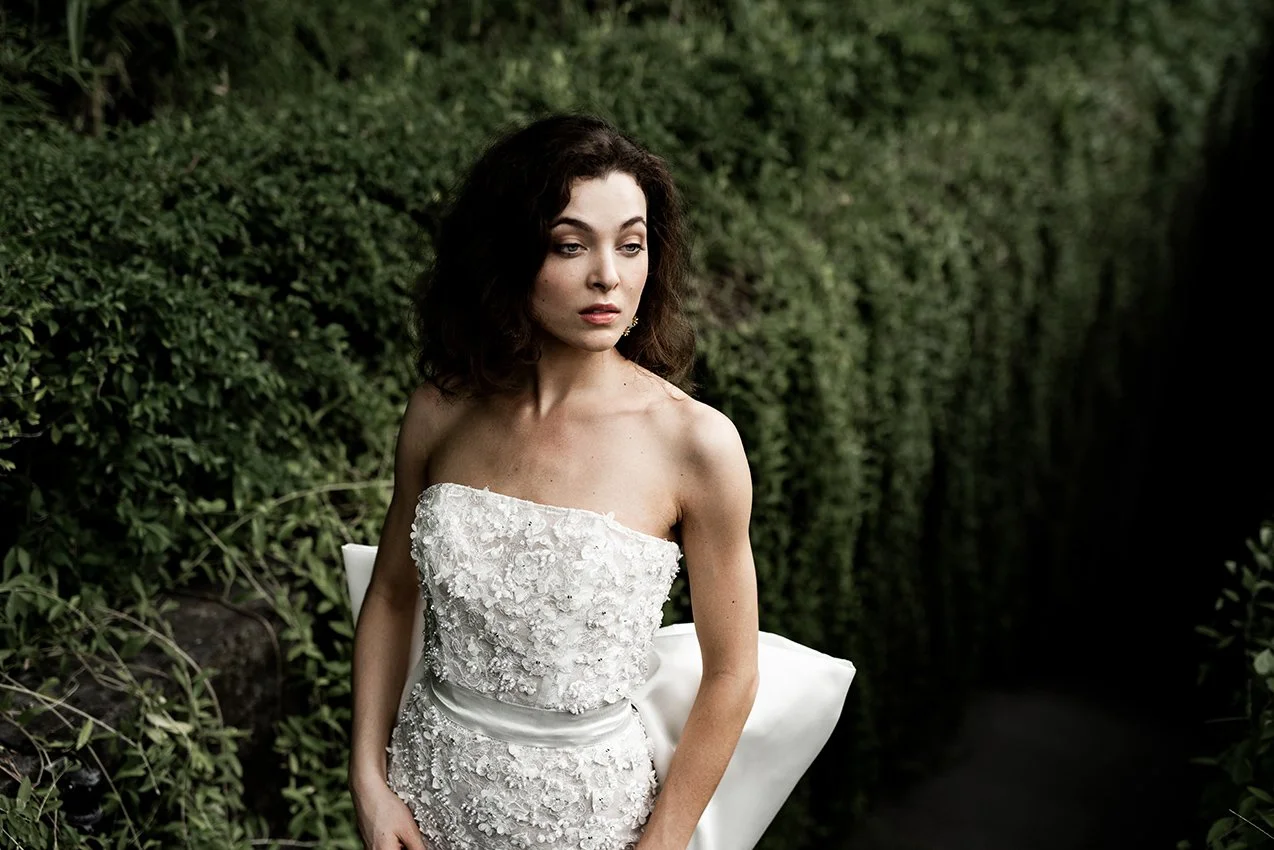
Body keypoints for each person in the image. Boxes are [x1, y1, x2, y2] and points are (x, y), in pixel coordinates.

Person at [348, 112, 761, 850]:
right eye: (571, 246)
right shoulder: (441, 410)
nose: (608, 275)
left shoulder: (696, 444)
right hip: (423, 800)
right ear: (508, 257)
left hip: (591, 823)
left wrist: (663, 842)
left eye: (631, 245)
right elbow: (389, 596)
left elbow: (732, 672)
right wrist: (371, 785)